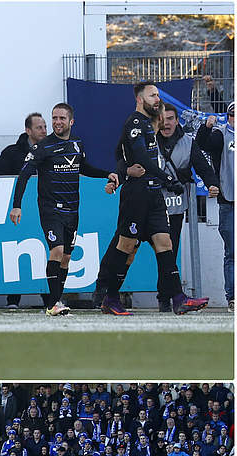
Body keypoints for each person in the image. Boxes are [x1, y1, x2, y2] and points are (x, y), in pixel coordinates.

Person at [93, 81, 207, 316]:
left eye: (158, 95)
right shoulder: (135, 122)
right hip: (137, 194)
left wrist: (125, 169)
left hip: (154, 195)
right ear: (139, 99)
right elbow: (140, 157)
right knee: (126, 246)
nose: (157, 99)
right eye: (152, 95)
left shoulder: (148, 125)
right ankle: (110, 297)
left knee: (165, 243)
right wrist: (167, 179)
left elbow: (119, 151)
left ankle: (178, 298)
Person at [9, 102, 119, 316]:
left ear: (71, 121)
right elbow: (23, 175)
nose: (57, 122)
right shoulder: (43, 147)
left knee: (66, 257)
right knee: (57, 251)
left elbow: (83, 167)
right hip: (50, 209)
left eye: (61, 118)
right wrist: (17, 205)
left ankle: (55, 301)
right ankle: (52, 304)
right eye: (54, 118)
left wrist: (107, 173)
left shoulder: (77, 143)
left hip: (72, 210)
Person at [152, 103, 219, 311]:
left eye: (170, 118)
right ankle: (109, 293)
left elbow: (202, 166)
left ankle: (166, 297)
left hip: (174, 204)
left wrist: (212, 183)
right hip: (149, 202)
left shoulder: (188, 142)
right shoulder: (147, 141)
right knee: (128, 248)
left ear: (177, 121)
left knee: (168, 250)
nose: (166, 123)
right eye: (162, 119)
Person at [0, 113, 48, 310]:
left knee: (45, 251)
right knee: (17, 249)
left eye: (44, 126)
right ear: (28, 130)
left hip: (44, 207)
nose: (44, 130)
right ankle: (13, 299)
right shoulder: (12, 153)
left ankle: (49, 298)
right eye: (39, 127)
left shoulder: (52, 149)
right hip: (21, 210)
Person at [196, 102, 233, 309]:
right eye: (233, 115)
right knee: (232, 252)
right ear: (228, 117)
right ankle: (233, 296)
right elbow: (201, 144)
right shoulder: (221, 135)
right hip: (229, 200)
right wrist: (206, 127)